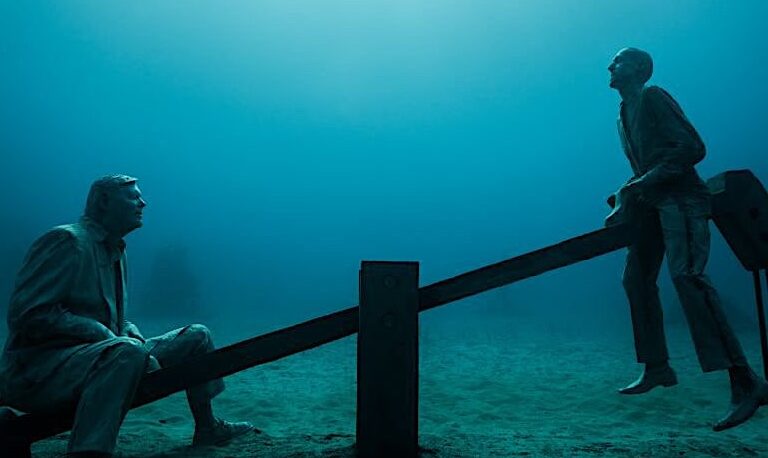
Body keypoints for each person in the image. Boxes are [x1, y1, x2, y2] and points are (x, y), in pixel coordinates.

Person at [0, 175, 254, 457]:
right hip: (39, 373)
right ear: (104, 202)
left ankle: (208, 427)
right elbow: (29, 315)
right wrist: (106, 335)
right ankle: (89, 452)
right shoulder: (66, 241)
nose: (142, 203)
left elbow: (108, 314)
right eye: (133, 197)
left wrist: (129, 331)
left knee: (197, 336)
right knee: (126, 352)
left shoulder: (115, 249)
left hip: (96, 355)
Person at [605, 47, 768, 431]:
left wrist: (641, 184)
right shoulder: (622, 116)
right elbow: (645, 167)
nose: (610, 66)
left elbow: (693, 147)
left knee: (688, 276)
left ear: (641, 69)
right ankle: (657, 365)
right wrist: (632, 190)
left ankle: (747, 383)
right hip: (654, 204)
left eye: (619, 61)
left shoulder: (654, 96)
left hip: (683, 199)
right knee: (635, 278)